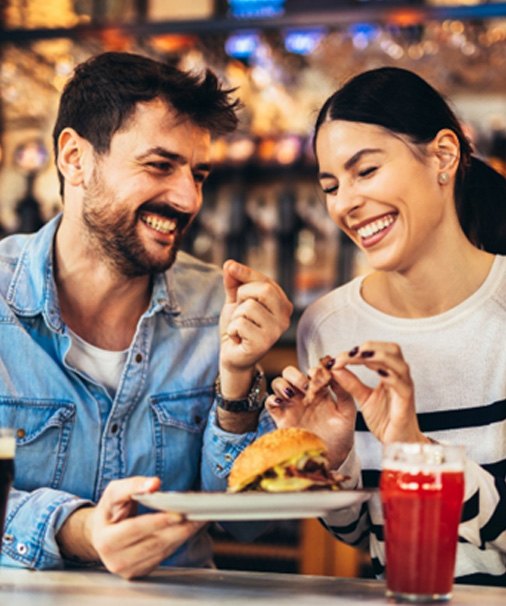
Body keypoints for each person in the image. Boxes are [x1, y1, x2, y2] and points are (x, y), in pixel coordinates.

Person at [0, 52, 292, 579]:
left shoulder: (217, 307)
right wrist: (82, 531)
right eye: (160, 166)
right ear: (75, 159)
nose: (187, 197)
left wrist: (237, 384)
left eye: (198, 174)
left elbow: (251, 521)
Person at [265, 67, 506, 586]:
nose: (345, 204)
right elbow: (363, 532)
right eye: (331, 186)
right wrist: (328, 463)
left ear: (443, 155)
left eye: (365, 171)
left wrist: (415, 451)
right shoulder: (328, 327)